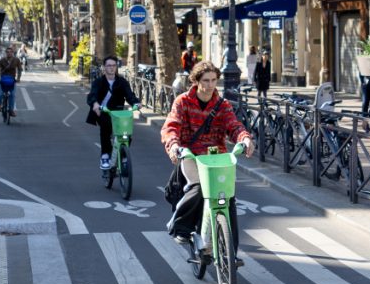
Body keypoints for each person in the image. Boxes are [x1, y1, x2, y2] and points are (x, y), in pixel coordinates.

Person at [161, 61, 254, 247]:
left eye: (213, 80)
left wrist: (244, 138)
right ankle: (180, 225)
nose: (210, 85)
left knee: (228, 197)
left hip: (217, 156)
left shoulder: (223, 105)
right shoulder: (183, 102)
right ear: (195, 81)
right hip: (190, 154)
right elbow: (171, 127)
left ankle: (231, 254)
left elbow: (233, 125)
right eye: (206, 80)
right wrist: (173, 145)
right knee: (198, 186)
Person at [86, 55, 141, 169]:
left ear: (116, 67)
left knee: (126, 134)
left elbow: (129, 95)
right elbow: (92, 95)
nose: (111, 68)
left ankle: (124, 157)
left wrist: (136, 103)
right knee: (105, 128)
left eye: (114, 65)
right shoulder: (98, 82)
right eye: (108, 65)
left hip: (118, 113)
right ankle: (105, 156)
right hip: (103, 112)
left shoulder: (122, 82)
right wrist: (95, 104)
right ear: (104, 68)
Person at [0, 46, 23, 117]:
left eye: (10, 52)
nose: (9, 53)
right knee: (0, 95)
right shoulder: (2, 60)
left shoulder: (16, 60)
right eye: (7, 52)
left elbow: (20, 69)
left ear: (13, 53)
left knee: (12, 95)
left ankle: (11, 110)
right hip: (3, 79)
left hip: (12, 80)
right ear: (5, 53)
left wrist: (18, 78)